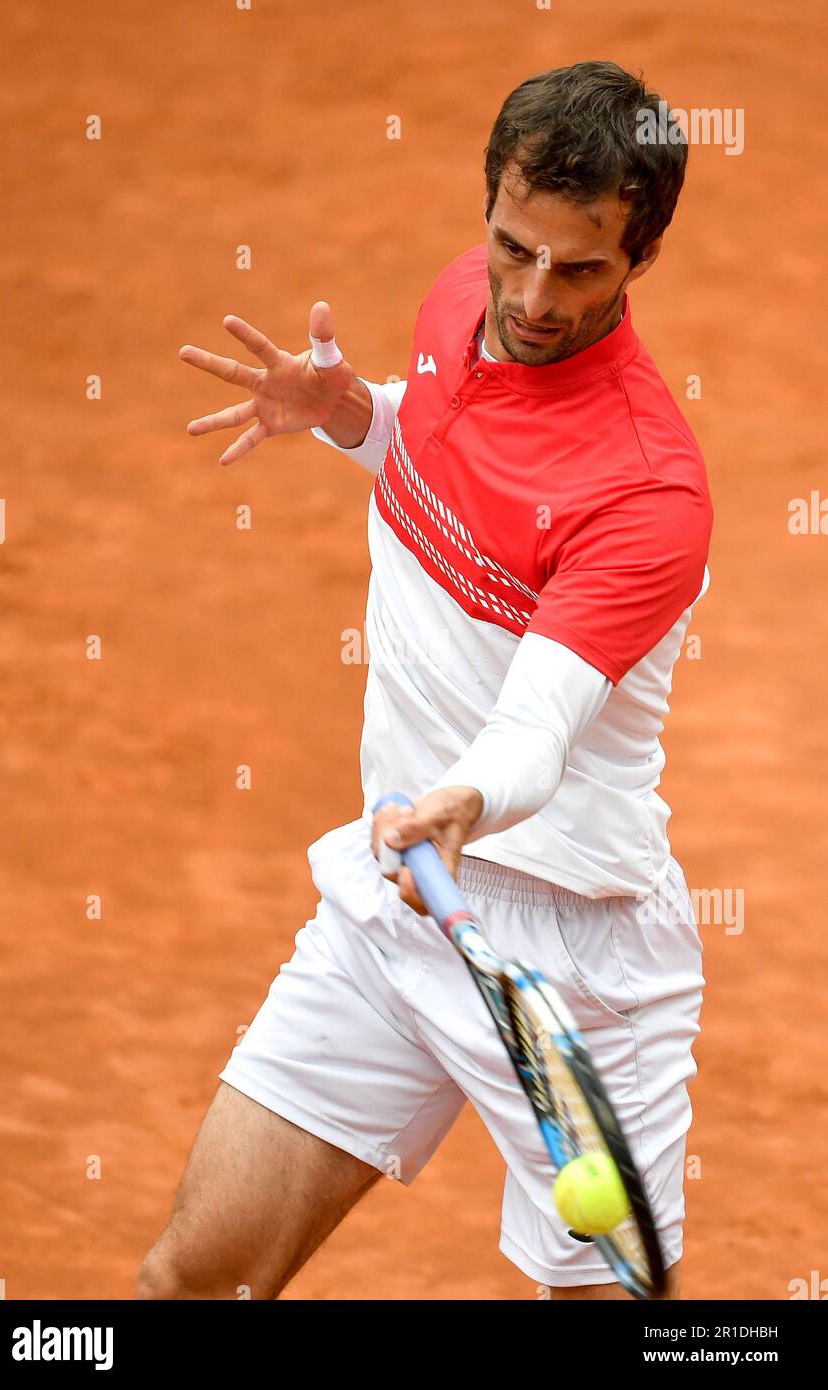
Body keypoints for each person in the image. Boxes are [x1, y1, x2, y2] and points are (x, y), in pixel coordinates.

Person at [139, 60, 712, 1301]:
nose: (531, 297)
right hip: (398, 900)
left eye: (579, 269)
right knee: (191, 1280)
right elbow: (455, 446)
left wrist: (461, 799)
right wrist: (357, 416)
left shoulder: (646, 493)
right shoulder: (461, 299)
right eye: (512, 248)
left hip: (572, 960)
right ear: (487, 210)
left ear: (640, 255)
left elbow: (536, 722)